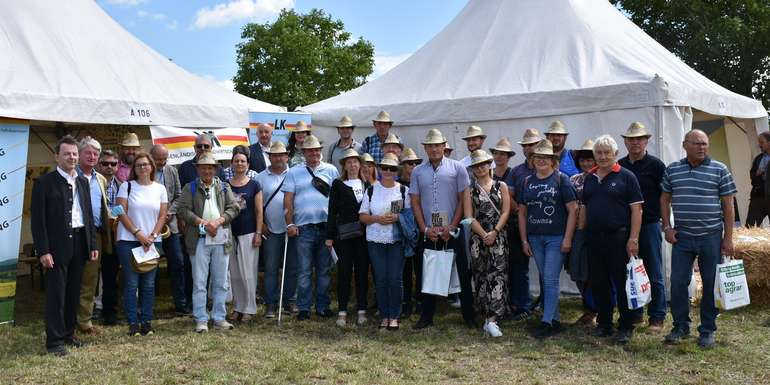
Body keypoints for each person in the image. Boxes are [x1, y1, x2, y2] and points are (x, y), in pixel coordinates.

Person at [661, 129, 736, 348]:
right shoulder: (673, 170)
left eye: (705, 143)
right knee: (678, 282)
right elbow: (664, 200)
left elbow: (728, 206)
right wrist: (667, 227)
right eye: (697, 143)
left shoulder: (720, 169)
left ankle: (707, 329)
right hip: (682, 236)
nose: (702, 147)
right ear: (685, 145)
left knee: (711, 284)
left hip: (711, 236)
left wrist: (728, 238)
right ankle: (680, 326)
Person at [31, 135, 98, 356]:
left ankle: (69, 334)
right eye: (67, 153)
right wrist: (43, 250)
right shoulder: (44, 183)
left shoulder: (82, 181)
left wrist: (92, 243)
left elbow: (88, 215)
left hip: (80, 241)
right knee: (56, 294)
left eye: (74, 154)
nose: (71, 157)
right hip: (57, 245)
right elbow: (38, 221)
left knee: (73, 292)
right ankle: (54, 342)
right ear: (56, 156)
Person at [410, 129, 476, 330]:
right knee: (427, 273)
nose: (434, 149)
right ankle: (427, 316)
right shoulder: (417, 171)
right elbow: (415, 202)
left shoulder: (458, 168)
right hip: (430, 231)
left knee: (463, 271)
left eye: (437, 145)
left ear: (444, 146)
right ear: (425, 148)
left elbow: (462, 200)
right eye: (430, 145)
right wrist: (424, 228)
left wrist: (453, 225)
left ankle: (469, 316)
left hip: (453, 229)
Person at [582, 135, 643, 344]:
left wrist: (633, 238)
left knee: (622, 282)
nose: (602, 156)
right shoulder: (589, 178)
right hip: (594, 238)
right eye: (598, 153)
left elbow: (637, 210)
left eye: (607, 153)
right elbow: (584, 208)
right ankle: (605, 324)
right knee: (599, 282)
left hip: (619, 237)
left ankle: (626, 326)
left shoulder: (627, 177)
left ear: (615, 155)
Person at [517, 140, 577, 338]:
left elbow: (573, 210)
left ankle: (547, 321)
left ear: (553, 160)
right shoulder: (527, 182)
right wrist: (524, 240)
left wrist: (568, 238)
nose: (541, 161)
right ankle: (555, 319)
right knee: (545, 279)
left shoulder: (562, 180)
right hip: (535, 237)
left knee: (550, 279)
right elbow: (522, 213)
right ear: (533, 160)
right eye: (538, 158)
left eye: (545, 158)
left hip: (556, 237)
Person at [176, 153, 240, 333]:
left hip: (220, 239)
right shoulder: (190, 188)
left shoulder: (223, 187)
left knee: (221, 281)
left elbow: (234, 207)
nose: (207, 170)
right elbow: (182, 209)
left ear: (215, 169)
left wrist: (218, 221)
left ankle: (219, 317)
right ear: (197, 169)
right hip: (199, 239)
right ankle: (201, 318)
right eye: (203, 167)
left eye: (210, 167)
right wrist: (203, 223)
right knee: (199, 282)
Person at [283, 134, 340, 320]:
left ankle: (322, 306)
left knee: (324, 270)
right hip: (303, 228)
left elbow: (339, 198)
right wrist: (290, 223)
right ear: (304, 152)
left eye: (316, 150)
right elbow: (288, 200)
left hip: (326, 228)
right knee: (304, 270)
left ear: (320, 151)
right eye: (310, 150)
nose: (314, 153)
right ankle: (304, 308)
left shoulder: (331, 170)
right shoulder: (293, 172)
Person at [618, 122, 667, 330]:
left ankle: (657, 316)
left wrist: (666, 222)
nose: (635, 142)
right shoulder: (619, 165)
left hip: (649, 224)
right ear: (625, 142)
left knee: (654, 272)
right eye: (631, 139)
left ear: (647, 141)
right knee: (630, 272)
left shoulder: (656, 165)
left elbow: (666, 196)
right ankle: (636, 312)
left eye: (639, 138)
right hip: (624, 227)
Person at [114, 152, 168, 336]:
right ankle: (132, 323)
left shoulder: (160, 188)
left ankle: (146, 321)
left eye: (146, 164)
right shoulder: (126, 187)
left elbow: (162, 216)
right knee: (131, 283)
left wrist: (152, 236)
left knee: (149, 284)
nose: (143, 168)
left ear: (152, 166)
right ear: (134, 169)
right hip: (129, 241)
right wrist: (139, 234)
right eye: (138, 165)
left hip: (152, 243)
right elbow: (121, 213)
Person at [463, 150, 511, 337]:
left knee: (498, 275)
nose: (480, 168)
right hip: (478, 236)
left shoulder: (502, 186)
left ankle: (494, 319)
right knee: (481, 275)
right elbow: (468, 216)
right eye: (476, 165)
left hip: (498, 235)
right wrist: (484, 234)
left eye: (483, 164)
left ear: (489, 164)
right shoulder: (470, 190)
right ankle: (486, 315)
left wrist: (495, 231)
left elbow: (506, 211)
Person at [360, 153, 410, 330]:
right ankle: (384, 315)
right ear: (380, 169)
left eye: (392, 168)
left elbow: (409, 214)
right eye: (385, 168)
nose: (388, 171)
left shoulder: (403, 190)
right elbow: (363, 216)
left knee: (395, 278)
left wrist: (397, 217)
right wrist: (376, 219)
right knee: (380, 279)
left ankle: (394, 316)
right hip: (375, 239)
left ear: (397, 171)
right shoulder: (372, 189)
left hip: (396, 240)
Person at [326, 149, 370, 327]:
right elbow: (332, 211)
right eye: (349, 162)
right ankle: (342, 311)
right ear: (344, 165)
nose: (352, 165)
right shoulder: (337, 184)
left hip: (364, 236)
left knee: (361, 273)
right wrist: (329, 236)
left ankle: (361, 310)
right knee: (344, 273)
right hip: (343, 236)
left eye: (355, 161)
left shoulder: (367, 185)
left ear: (360, 164)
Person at [256, 142, 299, 318]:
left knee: (292, 267)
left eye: (281, 155)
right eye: (274, 155)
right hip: (271, 229)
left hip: (292, 228)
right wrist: (261, 225)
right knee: (271, 268)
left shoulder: (295, 174)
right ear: (270, 157)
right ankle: (271, 303)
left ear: (287, 156)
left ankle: (290, 301)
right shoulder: (260, 177)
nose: (278, 158)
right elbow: (256, 204)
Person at [75, 137, 111, 335]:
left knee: (90, 279)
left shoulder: (100, 179)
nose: (92, 156)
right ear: (80, 154)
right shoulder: (71, 175)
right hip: (74, 234)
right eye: (88, 152)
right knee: (72, 278)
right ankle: (67, 318)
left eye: (95, 153)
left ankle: (84, 321)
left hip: (95, 236)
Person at [150, 144, 189, 316]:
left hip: (170, 226)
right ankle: (147, 305)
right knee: (150, 266)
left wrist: (169, 213)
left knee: (178, 263)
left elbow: (179, 196)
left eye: (164, 159)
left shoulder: (172, 171)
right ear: (151, 157)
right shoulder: (144, 170)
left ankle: (180, 304)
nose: (162, 162)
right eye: (158, 159)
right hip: (150, 226)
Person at [508, 128, 542, 319]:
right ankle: (524, 304)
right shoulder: (517, 171)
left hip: (543, 223)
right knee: (520, 267)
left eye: (532, 144)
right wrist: (520, 211)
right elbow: (509, 196)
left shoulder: (548, 168)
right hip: (519, 223)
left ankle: (546, 302)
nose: (529, 148)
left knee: (546, 266)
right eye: (526, 145)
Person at [226, 149, 264, 322]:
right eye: (236, 161)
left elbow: (258, 211)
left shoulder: (254, 185)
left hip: (249, 233)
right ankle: (238, 306)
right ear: (232, 164)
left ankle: (249, 308)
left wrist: (258, 233)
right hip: (230, 233)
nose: (239, 163)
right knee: (234, 273)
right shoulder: (226, 185)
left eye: (243, 161)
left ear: (248, 165)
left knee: (248, 272)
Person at [568, 139, 599, 327]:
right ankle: (588, 307)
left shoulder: (602, 178)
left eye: (590, 160)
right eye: (583, 160)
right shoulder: (574, 180)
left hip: (597, 230)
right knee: (578, 270)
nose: (587, 163)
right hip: (577, 231)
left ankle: (595, 309)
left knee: (596, 272)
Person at [96, 149, 122, 325]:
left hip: (116, 236)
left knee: (110, 275)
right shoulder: (93, 183)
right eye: (105, 163)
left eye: (113, 164)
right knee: (91, 276)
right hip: (97, 234)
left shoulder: (122, 185)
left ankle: (109, 312)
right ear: (99, 164)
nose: (109, 167)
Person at [399, 148, 423, 316]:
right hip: (405, 233)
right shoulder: (397, 185)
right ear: (402, 165)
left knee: (421, 268)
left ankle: (421, 301)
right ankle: (406, 301)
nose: (412, 166)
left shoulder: (422, 183)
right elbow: (395, 210)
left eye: (415, 163)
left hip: (422, 230)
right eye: (409, 163)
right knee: (405, 269)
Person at [747, 131, 770, 227]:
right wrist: (756, 174)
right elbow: (752, 175)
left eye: (762, 142)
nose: (759, 145)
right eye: (759, 142)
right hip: (758, 197)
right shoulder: (758, 159)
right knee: (750, 227)